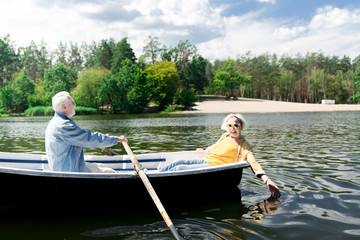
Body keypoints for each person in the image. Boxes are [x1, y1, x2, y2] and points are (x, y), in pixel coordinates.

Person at [160, 113, 281, 197]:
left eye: (236, 125)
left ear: (241, 126)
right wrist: (204, 150)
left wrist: (267, 180)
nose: (232, 129)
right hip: (206, 160)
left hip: (213, 167)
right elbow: (215, 146)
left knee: (179, 168)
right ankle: (157, 177)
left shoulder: (244, 146)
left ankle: (158, 181)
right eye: (230, 125)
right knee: (177, 162)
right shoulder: (225, 136)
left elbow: (254, 163)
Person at [45, 91, 127, 173]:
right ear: (64, 107)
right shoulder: (63, 126)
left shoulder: (55, 122)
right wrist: (116, 139)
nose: (75, 105)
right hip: (69, 170)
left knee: (102, 166)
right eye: (72, 103)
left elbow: (82, 138)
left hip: (66, 166)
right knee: (111, 173)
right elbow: (89, 138)